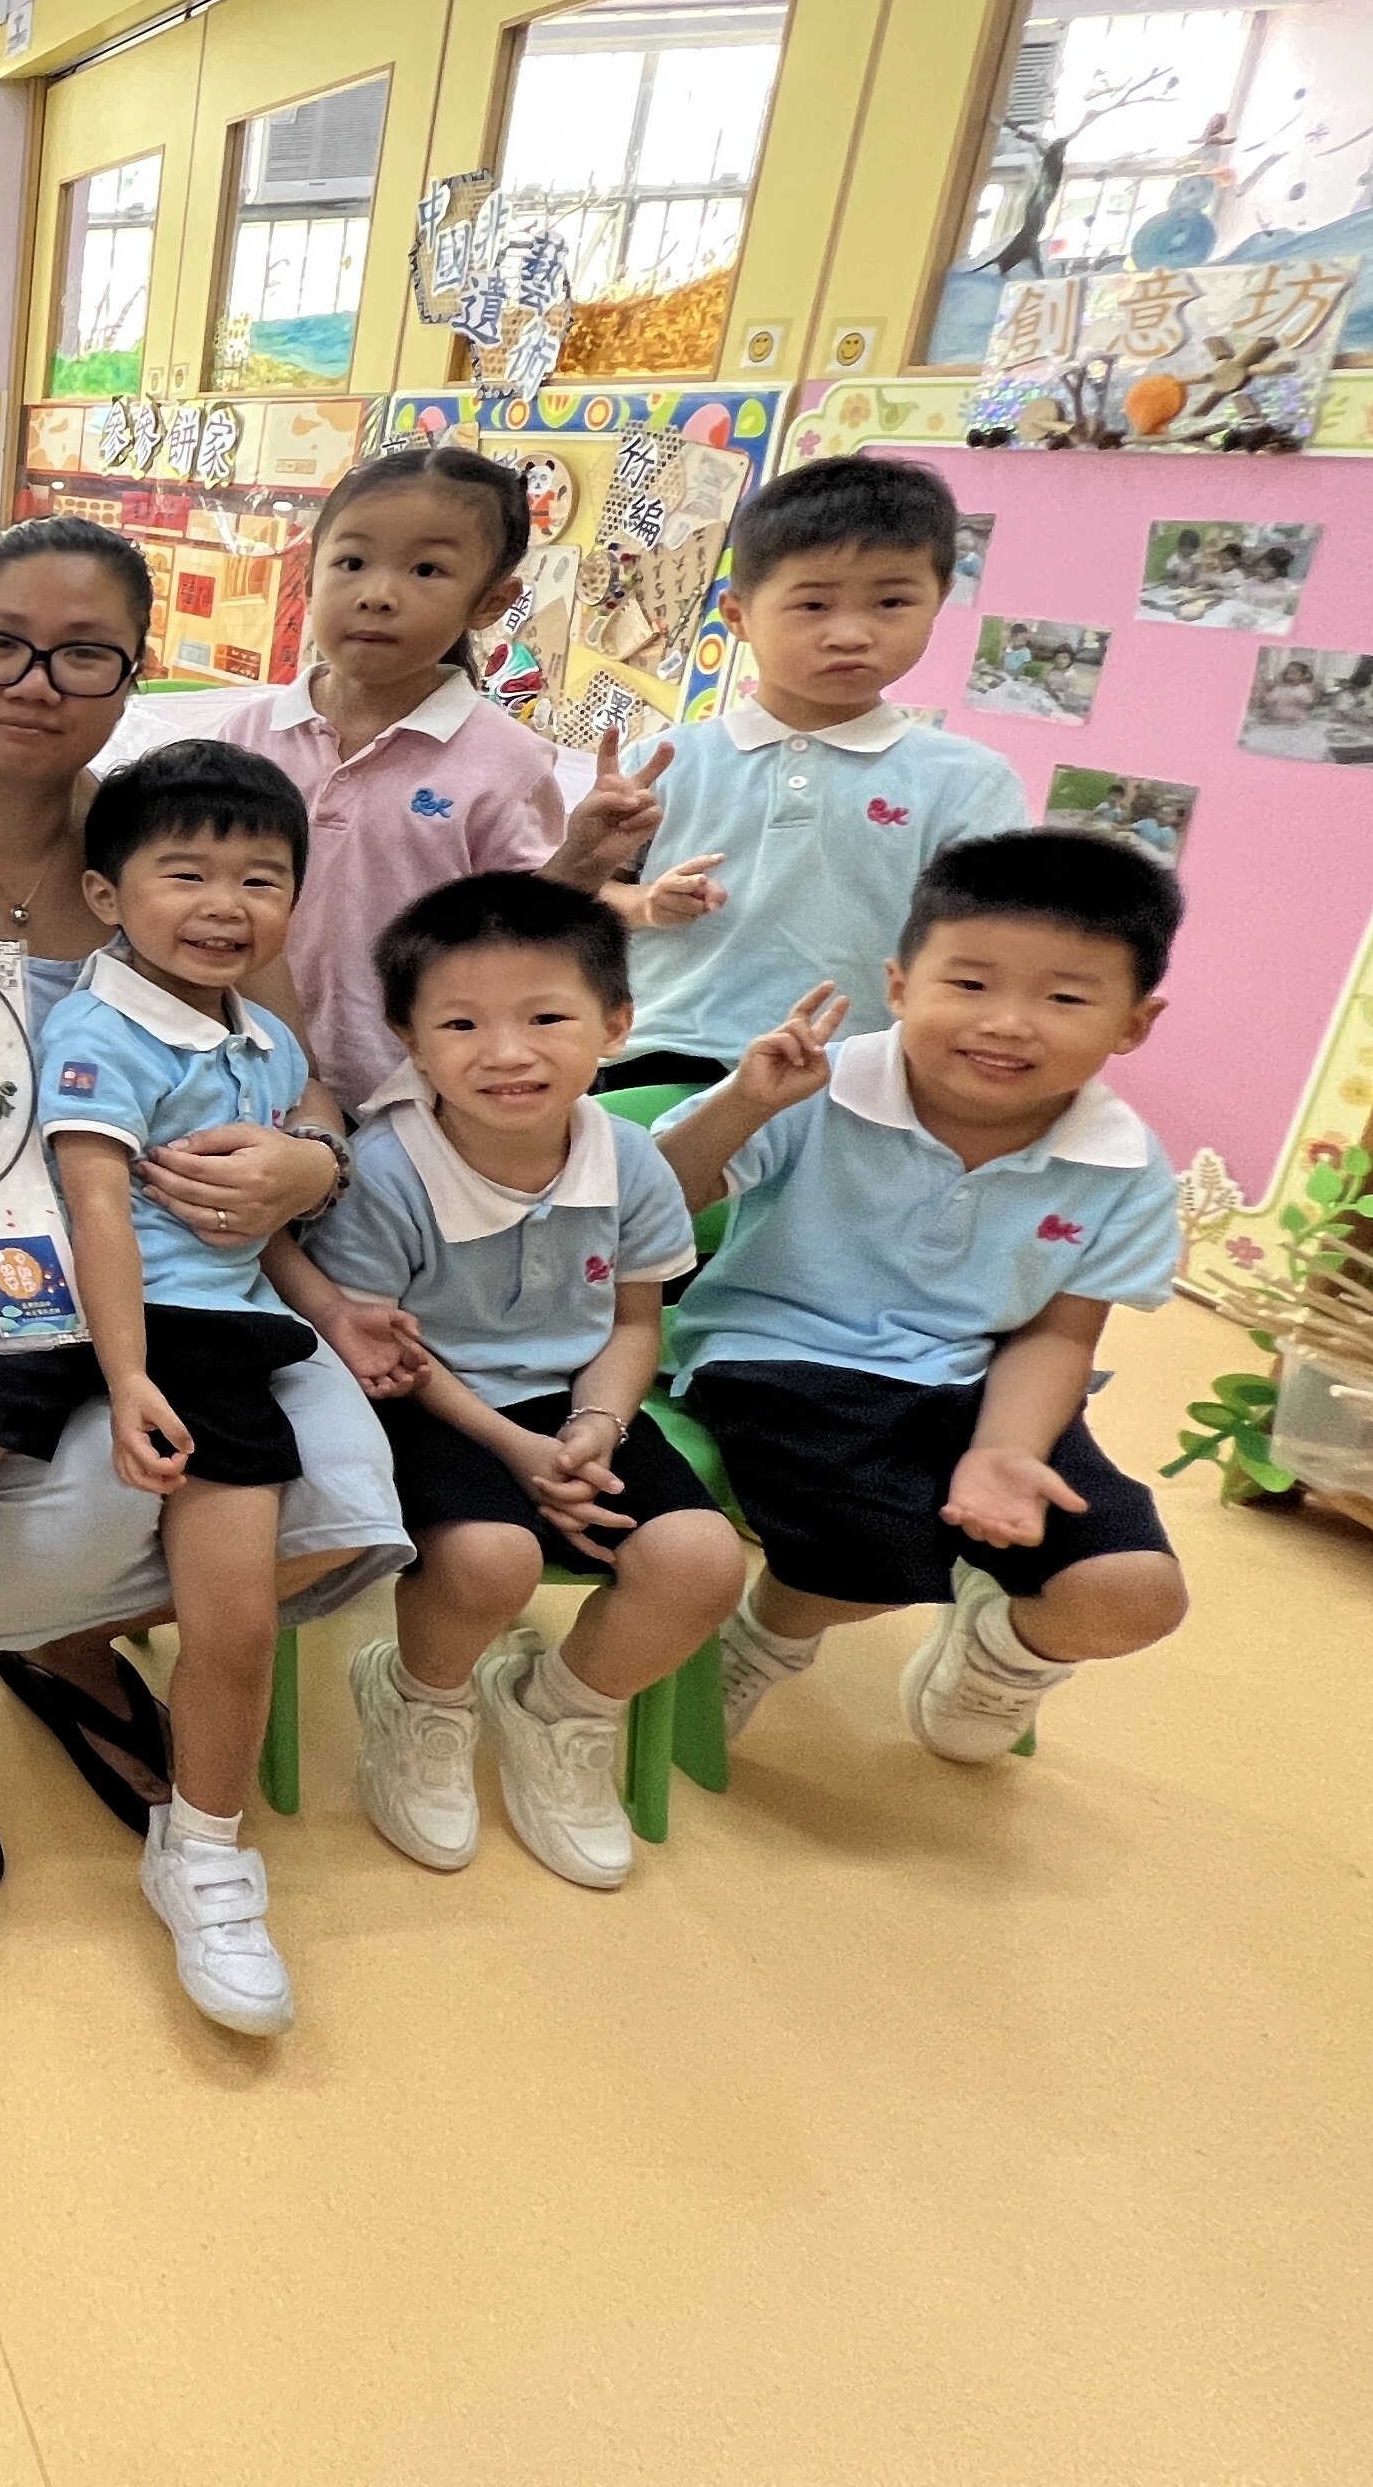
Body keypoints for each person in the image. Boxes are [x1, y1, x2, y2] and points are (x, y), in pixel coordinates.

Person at [0, 516, 400, 1891]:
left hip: (176, 1286)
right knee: (99, 1488)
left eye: (84, 655)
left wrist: (312, 1163)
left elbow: (299, 1081)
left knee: (340, 1491)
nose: (35, 682)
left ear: (131, 676)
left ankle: (51, 1644)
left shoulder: (178, 854)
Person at [0, 742, 325, 2031]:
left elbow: (256, 1229)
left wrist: (327, 1300)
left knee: (237, 1612)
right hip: (50, 1302)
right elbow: (97, 1212)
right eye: (187, 872)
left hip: (214, 1338)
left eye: (260, 878)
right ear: (108, 897)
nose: (225, 903)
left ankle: (205, 1853)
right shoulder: (96, 1025)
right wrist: (127, 1375)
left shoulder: (263, 1040)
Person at [656, 830, 1193, 1762]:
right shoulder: (825, 1088)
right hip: (785, 1354)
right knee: (866, 1566)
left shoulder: (1125, 1164)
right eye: (971, 984)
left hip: (983, 1380)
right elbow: (654, 1208)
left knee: (1134, 1592)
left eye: (1065, 997)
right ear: (900, 986)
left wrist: (1004, 1452)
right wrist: (745, 1104)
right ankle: (764, 1638)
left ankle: (998, 1659)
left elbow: (1062, 1335)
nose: (1009, 1023)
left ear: (1134, 1024)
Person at [299, 873, 739, 1892]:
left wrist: (593, 1425)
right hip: (426, 1400)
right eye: (461, 1023)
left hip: (581, 1403)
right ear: (411, 1040)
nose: (507, 1052)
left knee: (701, 1560)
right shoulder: (388, 1170)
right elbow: (387, 1357)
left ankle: (563, 1710)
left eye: (547, 1017)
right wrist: (514, 1449)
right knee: (489, 1561)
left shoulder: (630, 1160)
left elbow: (636, 1321)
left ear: (616, 1024)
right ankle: (421, 1697)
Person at [588, 453, 1030, 1092]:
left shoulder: (968, 782)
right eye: (814, 604)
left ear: (937, 604)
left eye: (891, 601)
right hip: (660, 1056)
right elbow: (582, 897)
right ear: (737, 616)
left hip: (853, 1070)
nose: (851, 634)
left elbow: (991, 946)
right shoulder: (668, 760)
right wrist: (649, 906)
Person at [210, 445, 596, 1114]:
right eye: (352, 562)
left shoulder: (505, 762)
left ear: (491, 601)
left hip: (413, 1093)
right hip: (236, 1067)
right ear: (310, 573)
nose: (378, 595)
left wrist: (584, 864)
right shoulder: (248, 737)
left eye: (427, 570)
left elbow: (525, 941)